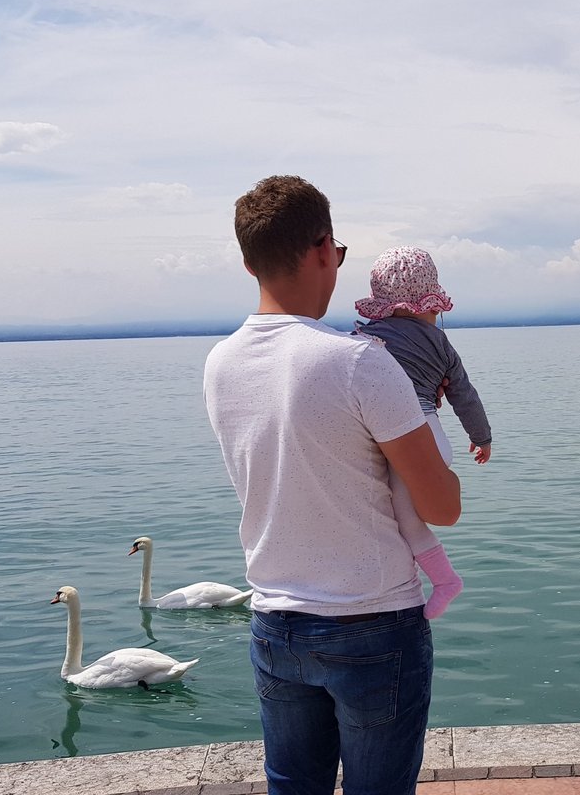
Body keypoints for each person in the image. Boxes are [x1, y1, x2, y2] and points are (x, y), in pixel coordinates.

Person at [203, 175, 461, 795]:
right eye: (339, 255)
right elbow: (442, 506)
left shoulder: (221, 363)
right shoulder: (360, 361)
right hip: (373, 622)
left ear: (248, 263)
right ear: (324, 249)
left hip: (275, 622)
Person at [353, 246, 491, 620]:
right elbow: (464, 393)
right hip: (431, 435)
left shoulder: (362, 340)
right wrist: (482, 438)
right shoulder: (441, 343)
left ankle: (444, 579)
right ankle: (438, 578)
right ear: (429, 302)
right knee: (406, 515)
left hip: (405, 436)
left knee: (403, 517)